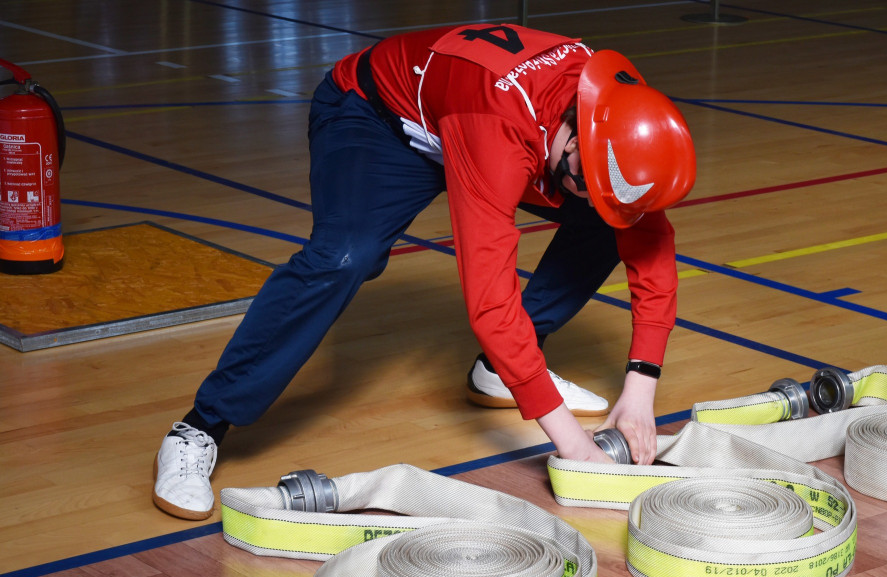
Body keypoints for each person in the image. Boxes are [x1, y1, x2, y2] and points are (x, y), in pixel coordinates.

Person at [152, 23, 696, 520]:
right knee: (345, 256)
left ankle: (496, 371)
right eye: (584, 180)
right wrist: (572, 445)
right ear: (576, 138)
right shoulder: (498, 131)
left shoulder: (619, 108)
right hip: (374, 117)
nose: (590, 193)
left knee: (608, 221)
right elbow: (489, 299)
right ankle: (200, 425)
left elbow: (649, 239)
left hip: (465, 120)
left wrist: (641, 387)